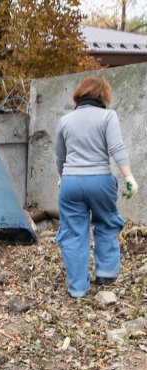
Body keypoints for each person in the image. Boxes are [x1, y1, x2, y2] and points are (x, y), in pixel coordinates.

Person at [55, 76, 139, 299]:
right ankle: (106, 273)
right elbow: (117, 148)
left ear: (79, 95)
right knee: (107, 223)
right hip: (100, 181)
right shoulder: (108, 116)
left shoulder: (65, 120)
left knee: (73, 233)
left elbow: (59, 157)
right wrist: (129, 177)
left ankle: (77, 288)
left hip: (71, 183)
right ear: (104, 96)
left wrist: (63, 178)